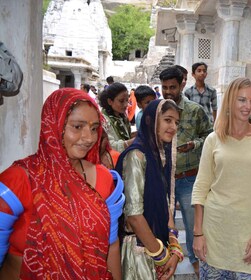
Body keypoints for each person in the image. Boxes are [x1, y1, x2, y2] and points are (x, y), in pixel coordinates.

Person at [0, 88, 122, 279]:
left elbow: (111, 244)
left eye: (93, 128)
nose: (89, 138)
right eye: (77, 126)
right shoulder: (19, 179)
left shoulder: (103, 178)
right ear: (53, 124)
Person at [192, 77, 251, 279]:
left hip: (250, 236)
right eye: (242, 100)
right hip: (214, 234)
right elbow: (201, 187)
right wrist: (198, 233)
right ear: (230, 101)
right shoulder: (213, 139)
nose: (248, 106)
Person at [115, 99, 183, 280]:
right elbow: (134, 216)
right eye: (168, 120)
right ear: (151, 121)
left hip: (157, 247)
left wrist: (174, 246)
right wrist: (161, 256)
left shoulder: (158, 156)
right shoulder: (136, 156)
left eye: (176, 122)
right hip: (140, 252)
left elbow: (165, 201)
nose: (173, 127)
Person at [160, 67, 213, 276]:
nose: (168, 92)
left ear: (182, 84)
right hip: (163, 179)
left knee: (194, 225)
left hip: (188, 177)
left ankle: (196, 261)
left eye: (172, 87)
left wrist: (194, 144)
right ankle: (163, 262)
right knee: (163, 223)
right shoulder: (157, 111)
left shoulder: (194, 110)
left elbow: (209, 137)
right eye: (164, 88)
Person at [99, 82, 135, 152]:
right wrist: (133, 141)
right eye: (121, 101)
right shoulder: (103, 120)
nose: (125, 105)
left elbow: (127, 136)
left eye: (127, 100)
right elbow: (111, 146)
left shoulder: (122, 116)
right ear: (110, 101)